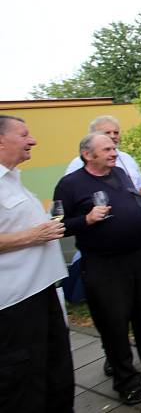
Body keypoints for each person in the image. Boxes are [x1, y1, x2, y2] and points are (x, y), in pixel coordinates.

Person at [54, 133, 141, 406]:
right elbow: (59, 224)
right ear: (88, 155)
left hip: (139, 257)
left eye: (114, 148)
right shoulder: (70, 184)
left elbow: (133, 201)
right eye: (107, 149)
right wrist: (86, 219)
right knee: (113, 323)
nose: (114, 152)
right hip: (104, 264)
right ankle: (126, 382)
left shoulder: (120, 174)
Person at [0, 115, 74, 412]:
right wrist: (32, 235)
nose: (33, 141)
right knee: (24, 383)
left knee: (57, 372)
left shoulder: (14, 180)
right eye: (25, 134)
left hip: (42, 292)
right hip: (15, 305)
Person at [65, 115, 141, 207]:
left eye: (116, 132)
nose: (112, 136)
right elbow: (70, 195)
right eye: (107, 132)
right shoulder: (79, 162)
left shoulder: (127, 158)